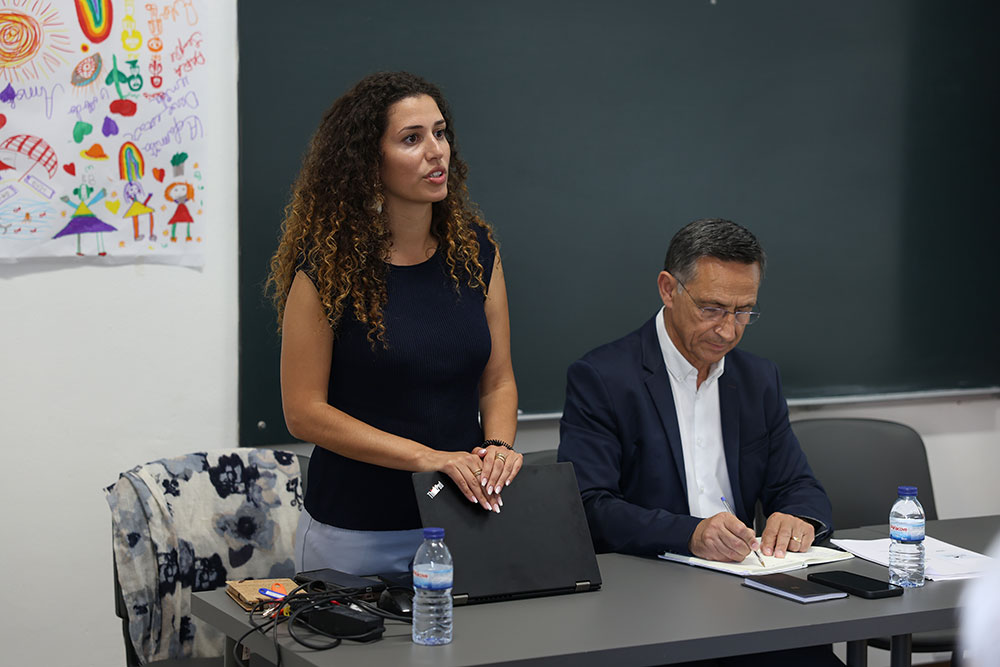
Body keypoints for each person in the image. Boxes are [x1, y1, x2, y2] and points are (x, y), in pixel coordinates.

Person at [268, 72, 521, 575]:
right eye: (412, 138)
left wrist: (498, 448)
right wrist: (431, 457)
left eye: (441, 132)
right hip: (356, 532)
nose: (436, 151)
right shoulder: (326, 269)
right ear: (369, 163)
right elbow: (304, 413)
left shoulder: (475, 253)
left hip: (460, 523)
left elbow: (498, 380)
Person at [558, 218, 838, 666]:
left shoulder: (757, 379)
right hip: (648, 596)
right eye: (712, 309)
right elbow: (589, 507)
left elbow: (799, 484)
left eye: (744, 310)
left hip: (747, 596)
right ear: (669, 289)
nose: (728, 330)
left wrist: (797, 516)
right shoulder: (604, 378)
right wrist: (691, 533)